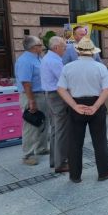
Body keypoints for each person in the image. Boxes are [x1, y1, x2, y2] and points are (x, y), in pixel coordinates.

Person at [57, 38, 108, 183]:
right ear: (92, 52)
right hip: (96, 102)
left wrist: (74, 106)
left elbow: (61, 89)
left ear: (78, 51)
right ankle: (104, 172)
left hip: (76, 104)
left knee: (75, 142)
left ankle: (75, 176)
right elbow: (107, 89)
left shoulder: (68, 67)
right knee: (100, 140)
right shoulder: (100, 67)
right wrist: (95, 106)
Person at [15, 36, 49, 166]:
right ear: (33, 47)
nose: (42, 47)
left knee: (43, 121)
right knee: (30, 125)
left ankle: (41, 148)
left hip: (41, 94)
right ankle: (27, 155)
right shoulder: (25, 61)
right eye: (40, 45)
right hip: (31, 95)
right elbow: (26, 83)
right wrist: (31, 101)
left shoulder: (38, 58)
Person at [40, 36, 69, 173]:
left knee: (55, 129)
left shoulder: (48, 58)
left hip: (50, 95)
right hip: (56, 96)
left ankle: (55, 160)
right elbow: (64, 80)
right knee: (61, 130)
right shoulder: (54, 61)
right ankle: (60, 163)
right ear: (56, 47)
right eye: (64, 47)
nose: (65, 49)